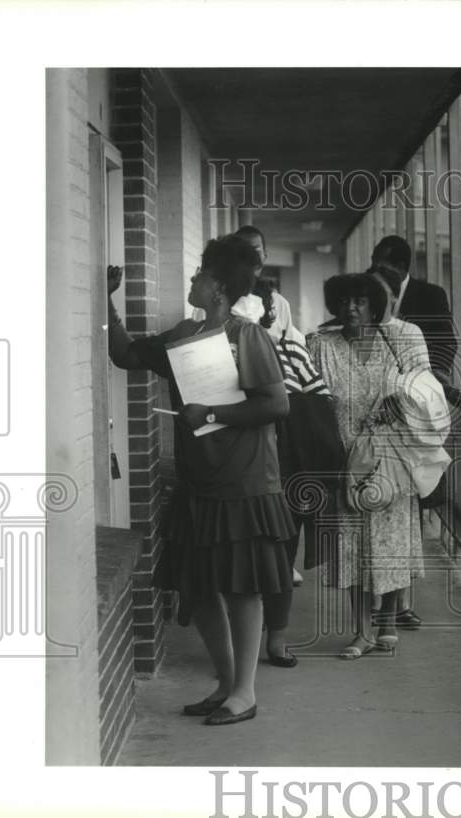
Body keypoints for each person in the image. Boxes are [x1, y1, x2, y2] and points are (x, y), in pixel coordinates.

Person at [106, 235, 297, 726]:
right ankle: (226, 683)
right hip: (199, 483)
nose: (191, 280)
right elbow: (125, 355)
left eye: (200, 275)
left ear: (219, 289)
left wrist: (211, 410)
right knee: (200, 586)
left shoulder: (245, 336)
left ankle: (246, 693)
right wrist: (103, 301)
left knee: (241, 589)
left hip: (244, 482)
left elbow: (276, 404)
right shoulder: (182, 337)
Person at [308, 273, 431, 658]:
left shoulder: (397, 344)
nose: (351, 308)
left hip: (391, 460)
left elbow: (426, 392)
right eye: (344, 301)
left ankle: (388, 622)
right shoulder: (320, 345)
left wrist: (404, 403)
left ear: (375, 306)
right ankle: (362, 633)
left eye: (360, 301)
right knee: (353, 548)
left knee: (391, 543)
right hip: (345, 464)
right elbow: (306, 402)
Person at [368, 236, 459, 630]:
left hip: (413, 419)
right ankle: (383, 602)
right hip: (373, 417)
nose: (378, 275)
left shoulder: (430, 296)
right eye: (375, 266)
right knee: (375, 509)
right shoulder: (365, 290)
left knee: (409, 512)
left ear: (403, 269)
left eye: (385, 269)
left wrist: (415, 388)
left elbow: (445, 349)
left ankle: (400, 603)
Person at [234, 223, 305, 587]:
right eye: (246, 249)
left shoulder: (278, 302)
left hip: (273, 402)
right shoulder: (223, 297)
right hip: (235, 402)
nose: (254, 256)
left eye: (259, 249)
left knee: (276, 484)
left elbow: (292, 350)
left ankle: (280, 558)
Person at [371, 235, 457, 382]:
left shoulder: (431, 295)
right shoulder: (369, 290)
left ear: (400, 267)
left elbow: (446, 343)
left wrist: (429, 377)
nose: (373, 270)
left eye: (379, 266)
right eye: (373, 263)